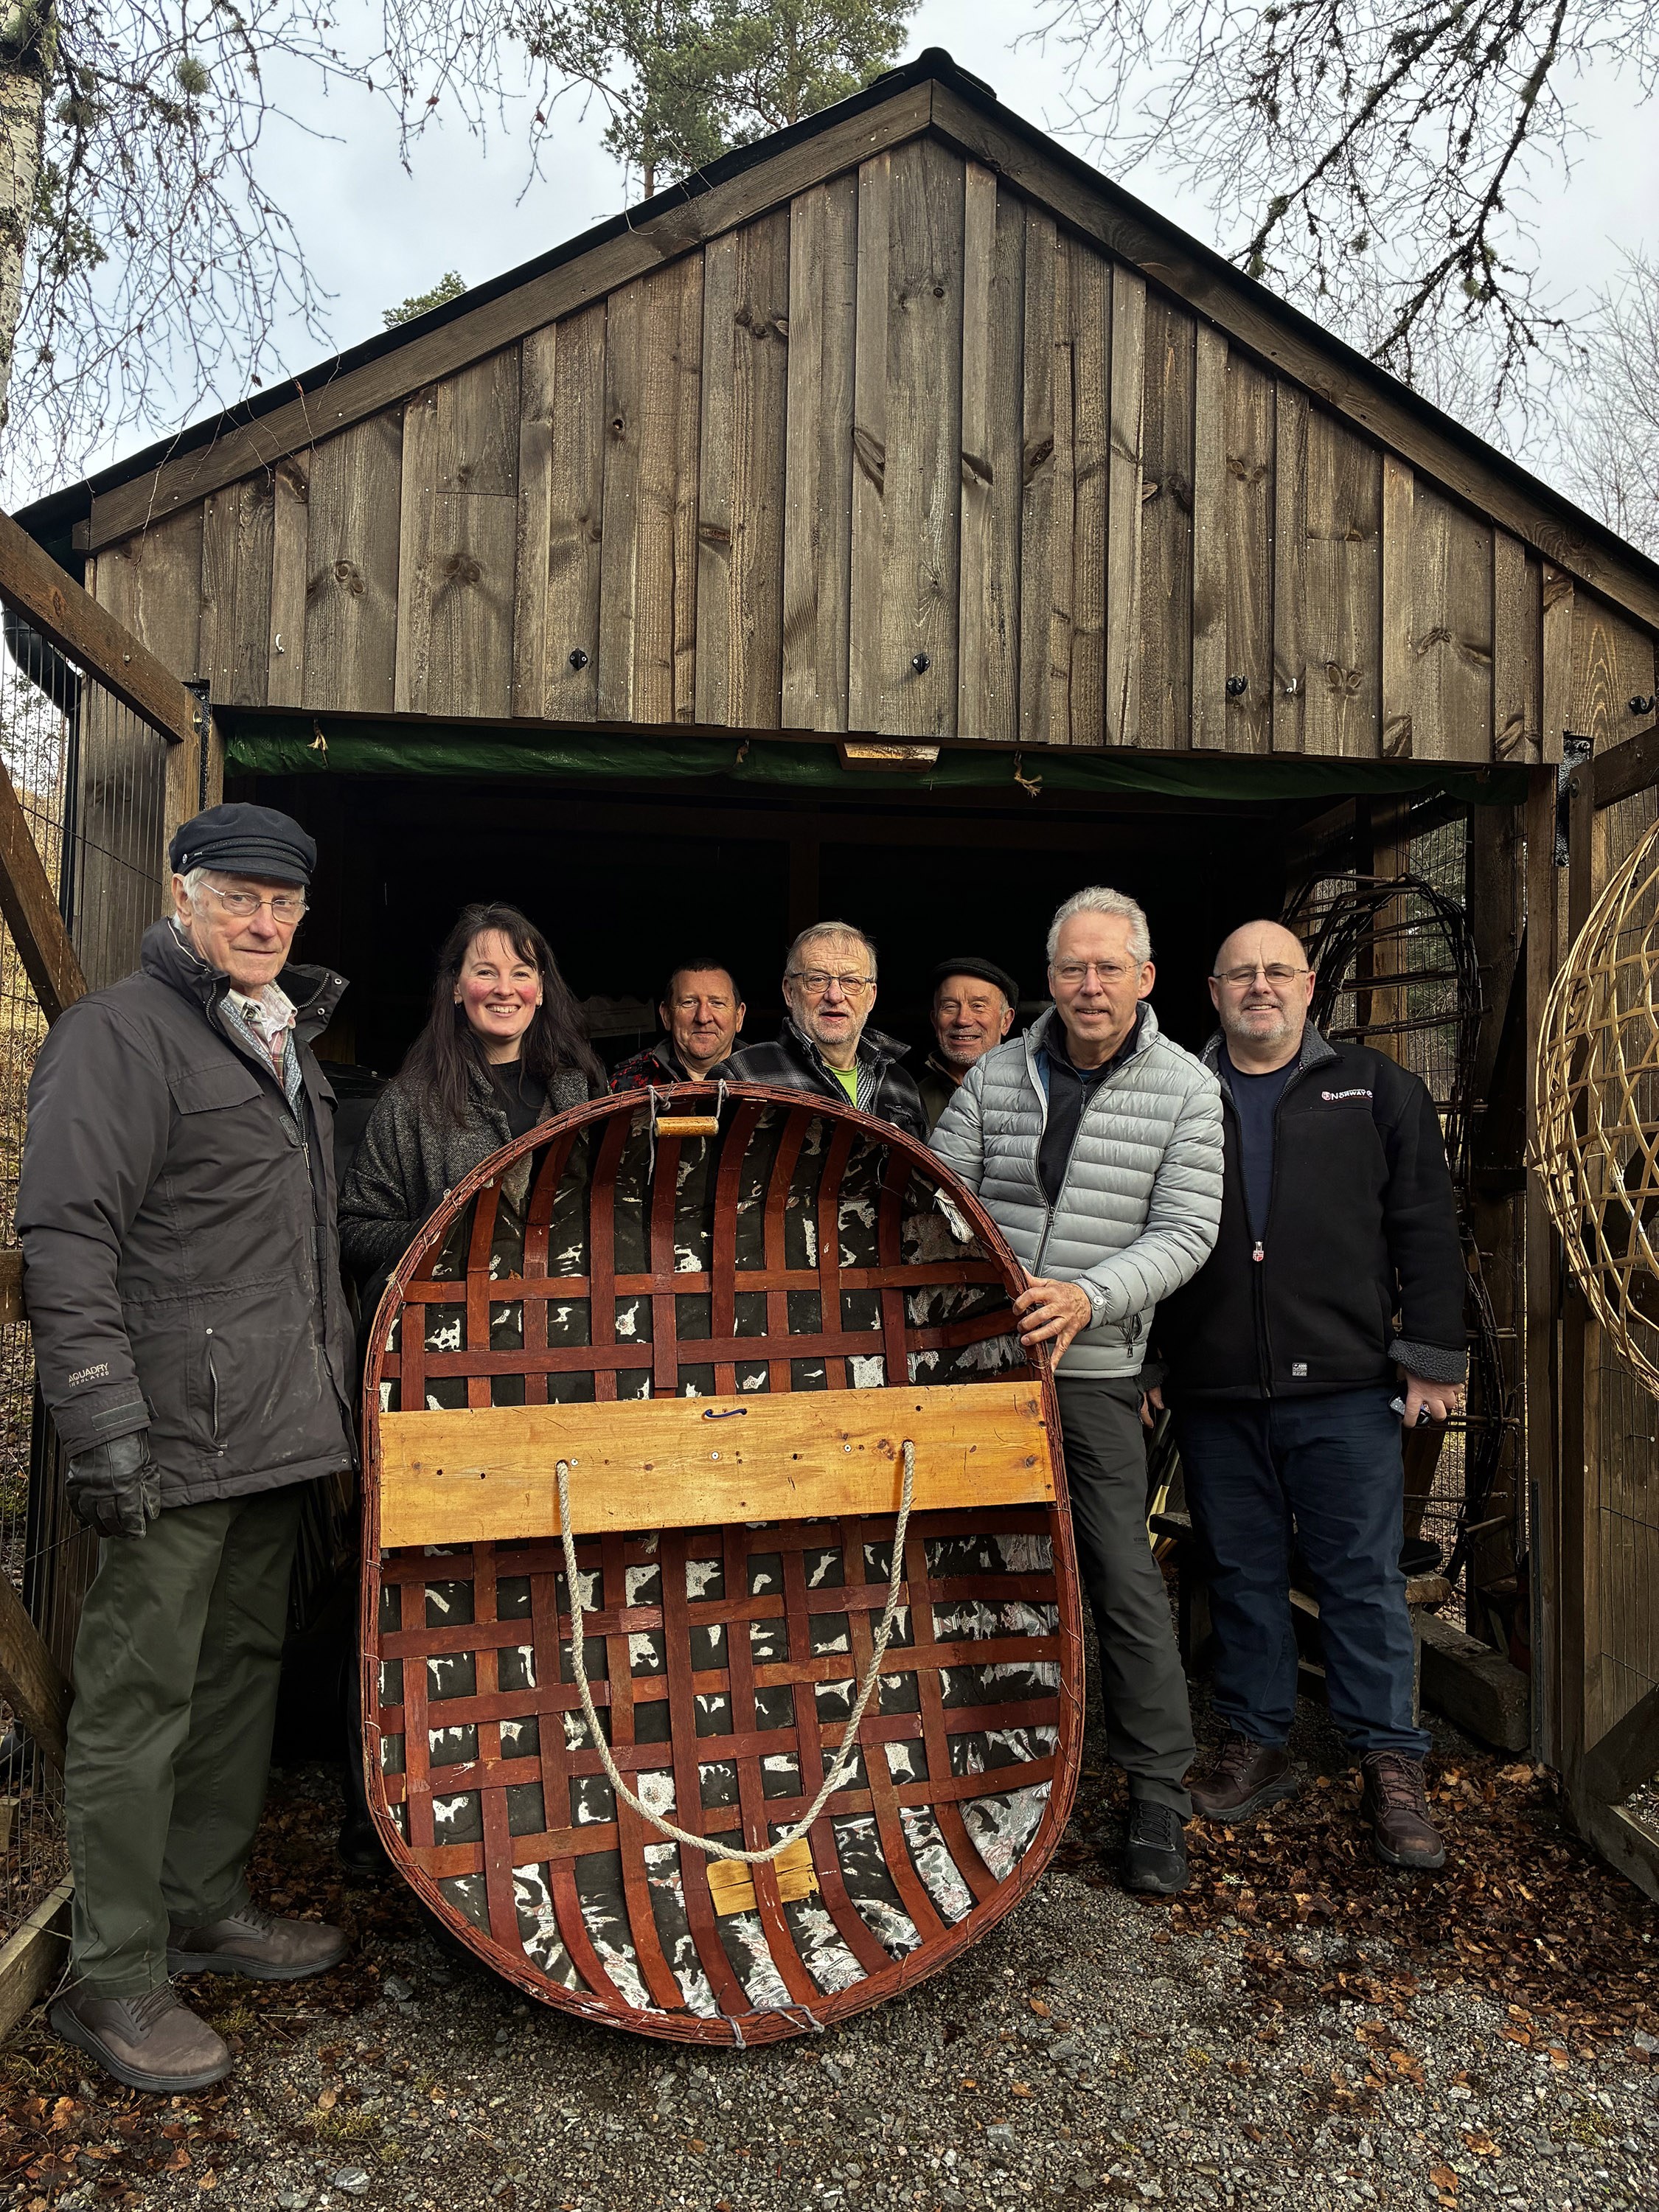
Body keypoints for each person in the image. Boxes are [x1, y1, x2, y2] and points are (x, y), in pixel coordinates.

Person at [18, 803, 357, 2094]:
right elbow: (66, 1237)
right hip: (166, 1440)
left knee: (235, 1685)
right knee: (137, 1702)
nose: (262, 922)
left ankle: (203, 1903)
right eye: (236, 898)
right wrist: (101, 1418)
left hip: (273, 1436)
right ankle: (111, 1976)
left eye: (282, 904)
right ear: (181, 896)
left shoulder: (282, 1041)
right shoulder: (120, 1037)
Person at [1151, 919, 1467, 1871]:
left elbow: (1426, 1225)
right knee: (1241, 1572)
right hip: (1214, 1388)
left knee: (1359, 1577)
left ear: (1309, 985)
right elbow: (1137, 1229)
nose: (1260, 987)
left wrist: (1431, 1359)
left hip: (1341, 1384)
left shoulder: (1375, 1090)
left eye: (1277, 972)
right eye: (1241, 973)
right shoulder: (1177, 1090)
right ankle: (1257, 1739)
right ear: (1211, 990)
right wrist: (1155, 1366)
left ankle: (1390, 1761)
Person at [930, 887, 1222, 1895]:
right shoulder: (993, 1077)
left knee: (1119, 1574)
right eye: (1069, 969)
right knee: (958, 1561)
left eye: (1107, 968)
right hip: (980, 1372)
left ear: (1144, 978)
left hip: (1092, 1370)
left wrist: (1088, 1300)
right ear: (1046, 980)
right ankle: (964, 1759)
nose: (1087, 987)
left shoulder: (1185, 1089)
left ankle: (1156, 1793)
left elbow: (1186, 1232)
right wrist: (983, 1300)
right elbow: (940, 1199)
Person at [339, 903, 605, 1307]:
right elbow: (354, 1230)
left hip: (574, 1325)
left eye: (521, 972)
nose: (505, 988)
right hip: (454, 1334)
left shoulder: (581, 1087)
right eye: (485, 972)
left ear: (542, 988)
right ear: (456, 989)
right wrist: (433, 1232)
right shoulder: (409, 1102)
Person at [724, 922, 926, 1140]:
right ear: (790, 992)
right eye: (817, 979)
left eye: (851, 981)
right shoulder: (740, 1076)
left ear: (871, 997)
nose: (835, 996)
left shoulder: (903, 1085)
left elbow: (926, 1173)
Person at [917, 957, 1018, 1131]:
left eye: (978, 1006)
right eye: (949, 1007)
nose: (962, 1020)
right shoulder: (911, 1099)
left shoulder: (1034, 1095)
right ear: (935, 1021)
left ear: (1005, 1021)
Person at [611, 961, 745, 1089]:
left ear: (739, 1017)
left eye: (717, 1003)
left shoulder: (765, 1077)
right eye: (689, 1002)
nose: (703, 1018)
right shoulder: (624, 1085)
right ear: (667, 1016)